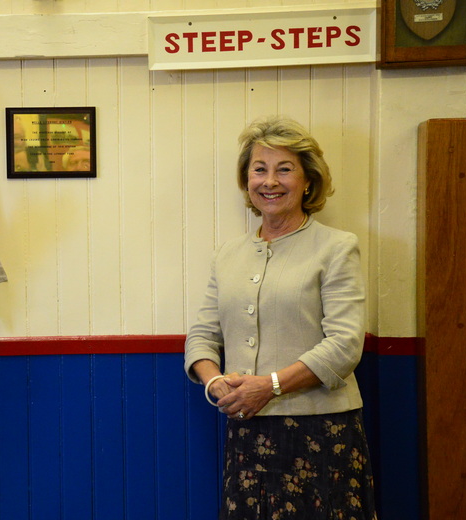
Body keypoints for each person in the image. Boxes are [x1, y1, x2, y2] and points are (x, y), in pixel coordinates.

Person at [184, 116, 377, 519]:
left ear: (308, 180)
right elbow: (202, 335)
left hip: (322, 430)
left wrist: (268, 386)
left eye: (284, 169)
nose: (270, 181)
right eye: (260, 169)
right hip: (247, 427)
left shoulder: (337, 247)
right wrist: (216, 382)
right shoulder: (227, 254)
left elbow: (344, 345)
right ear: (247, 181)